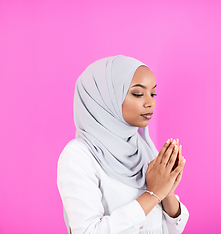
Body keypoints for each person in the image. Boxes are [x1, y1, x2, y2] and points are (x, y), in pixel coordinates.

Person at [57, 55, 189, 234]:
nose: (150, 103)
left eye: (153, 93)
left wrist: (168, 193)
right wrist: (153, 194)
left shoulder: (143, 148)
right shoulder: (78, 156)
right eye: (138, 94)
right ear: (105, 97)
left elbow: (169, 230)